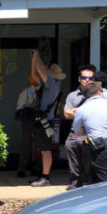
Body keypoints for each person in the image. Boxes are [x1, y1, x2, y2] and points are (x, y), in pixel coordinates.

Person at [72, 81, 107, 183]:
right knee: (99, 173)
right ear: (99, 92)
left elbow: (77, 133)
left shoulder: (82, 109)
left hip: (102, 146)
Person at [29, 51, 65, 187]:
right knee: (43, 149)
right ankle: (43, 175)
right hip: (42, 120)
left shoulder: (52, 84)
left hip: (45, 121)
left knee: (46, 149)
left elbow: (40, 70)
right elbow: (34, 75)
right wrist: (34, 60)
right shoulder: (51, 84)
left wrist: (37, 55)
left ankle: (45, 177)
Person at [63, 65, 96, 189]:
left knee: (89, 162)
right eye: (84, 77)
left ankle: (91, 186)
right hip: (74, 132)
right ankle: (75, 185)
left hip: (89, 133)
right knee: (70, 147)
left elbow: (94, 114)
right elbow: (66, 114)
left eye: (90, 78)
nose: (87, 80)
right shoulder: (72, 95)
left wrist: (76, 111)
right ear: (79, 79)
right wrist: (83, 112)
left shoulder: (97, 95)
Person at [15, 77, 39, 178]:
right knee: (27, 142)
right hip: (28, 120)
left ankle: (36, 166)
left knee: (37, 143)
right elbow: (20, 108)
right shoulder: (26, 92)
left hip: (38, 119)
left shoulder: (41, 92)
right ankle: (22, 167)